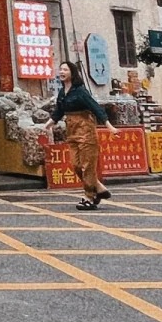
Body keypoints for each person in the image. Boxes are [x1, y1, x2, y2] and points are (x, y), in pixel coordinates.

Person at [53, 61, 120, 210]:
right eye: (60, 69)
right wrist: (47, 125)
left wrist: (109, 126)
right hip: (71, 131)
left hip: (86, 130)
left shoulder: (81, 91)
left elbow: (95, 107)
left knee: (88, 166)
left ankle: (89, 196)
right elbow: (58, 110)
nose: (61, 72)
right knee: (76, 165)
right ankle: (99, 188)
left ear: (72, 72)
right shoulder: (62, 91)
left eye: (65, 69)